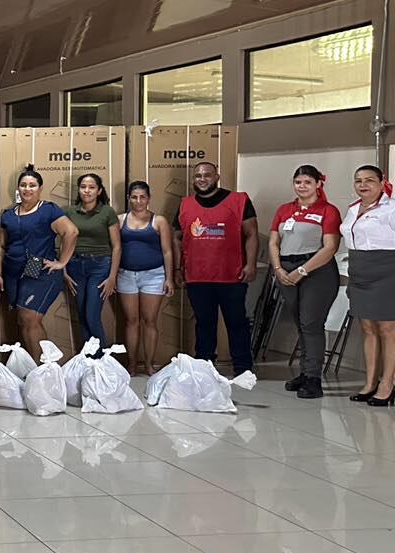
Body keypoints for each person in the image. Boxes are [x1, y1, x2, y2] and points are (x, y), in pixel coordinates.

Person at [175, 161, 258, 375]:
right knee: (204, 324)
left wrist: (250, 264)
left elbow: (251, 234)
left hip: (232, 275)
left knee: (237, 322)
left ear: (217, 177)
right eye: (198, 176)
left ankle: (243, 367)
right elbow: (177, 237)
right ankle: (204, 366)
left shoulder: (239, 200)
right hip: (198, 275)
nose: (202, 179)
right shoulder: (185, 204)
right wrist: (178, 268)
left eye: (207, 175)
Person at [268, 165, 342, 399]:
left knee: (311, 323)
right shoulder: (284, 210)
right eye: (298, 182)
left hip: (316, 271)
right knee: (301, 324)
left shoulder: (328, 210)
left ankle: (313, 378)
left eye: (307, 182)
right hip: (286, 270)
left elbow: (330, 247)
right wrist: (278, 268)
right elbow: (273, 242)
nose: (302, 186)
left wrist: (302, 271)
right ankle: (304, 372)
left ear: (318, 184)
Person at [0, 165, 78, 350]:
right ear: (18, 188)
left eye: (32, 185)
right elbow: (0, 245)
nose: (27, 189)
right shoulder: (8, 215)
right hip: (13, 271)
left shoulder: (49, 210)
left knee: (30, 317)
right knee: (22, 319)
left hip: (39, 269)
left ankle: (43, 364)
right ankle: (33, 364)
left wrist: (62, 262)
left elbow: (71, 232)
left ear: (40, 188)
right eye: (23, 185)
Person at [342, 165, 395, 407]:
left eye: (369, 180)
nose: (363, 185)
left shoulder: (391, 208)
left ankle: (387, 384)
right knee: (367, 328)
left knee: (387, 329)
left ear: (382, 182)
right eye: (358, 180)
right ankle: (370, 382)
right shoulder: (353, 209)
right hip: (359, 270)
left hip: (386, 270)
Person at [116, 182, 175, 375]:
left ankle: (149, 364)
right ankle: (132, 364)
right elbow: (115, 249)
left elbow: (167, 251)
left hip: (154, 275)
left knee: (150, 320)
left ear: (149, 198)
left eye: (142, 197)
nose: (138, 201)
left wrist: (169, 278)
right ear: (128, 198)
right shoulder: (120, 220)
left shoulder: (159, 221)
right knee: (131, 321)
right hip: (126, 275)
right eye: (134, 197)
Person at [63, 173, 121, 349]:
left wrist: (112, 277)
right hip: (75, 266)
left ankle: (101, 359)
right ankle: (88, 359)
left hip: (100, 266)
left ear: (99, 191)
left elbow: (117, 246)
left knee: (91, 315)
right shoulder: (69, 212)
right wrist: (64, 270)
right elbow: (63, 242)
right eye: (83, 187)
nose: (87, 191)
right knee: (82, 316)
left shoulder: (107, 212)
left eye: (91, 187)